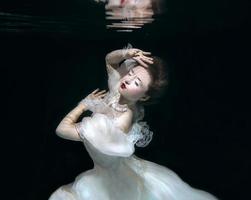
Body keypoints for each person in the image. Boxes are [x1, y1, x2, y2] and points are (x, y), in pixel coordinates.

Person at [49, 48, 218, 200]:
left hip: (111, 180)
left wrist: (82, 106)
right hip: (106, 168)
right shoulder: (118, 91)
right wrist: (127, 54)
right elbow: (110, 60)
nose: (128, 79)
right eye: (131, 73)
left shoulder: (122, 119)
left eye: (137, 83)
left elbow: (62, 130)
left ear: (143, 97)